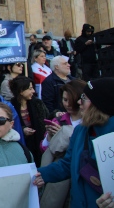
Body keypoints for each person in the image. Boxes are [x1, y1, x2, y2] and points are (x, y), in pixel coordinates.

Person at [33, 77, 114, 208]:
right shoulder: (80, 130)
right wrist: (41, 174)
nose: (78, 102)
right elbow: (68, 164)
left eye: (84, 98)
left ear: (99, 103)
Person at [39, 79, 85, 208]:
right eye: (64, 100)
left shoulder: (88, 121)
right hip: (58, 175)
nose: (68, 104)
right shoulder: (59, 119)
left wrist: (66, 136)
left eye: (71, 99)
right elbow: (44, 149)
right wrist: (50, 136)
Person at [9, 76, 47, 166]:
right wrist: (22, 130)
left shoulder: (37, 104)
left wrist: (56, 114)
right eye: (30, 89)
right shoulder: (10, 107)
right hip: (22, 146)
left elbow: (46, 118)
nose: (33, 91)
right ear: (21, 91)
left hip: (38, 144)